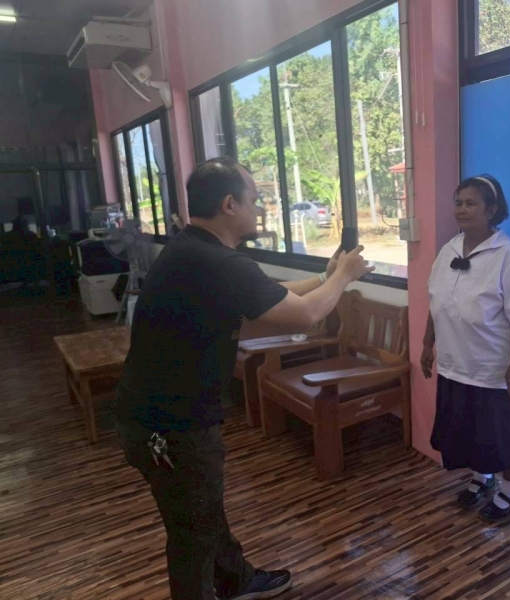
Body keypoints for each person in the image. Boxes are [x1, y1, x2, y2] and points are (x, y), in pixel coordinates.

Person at [115, 157, 374, 600]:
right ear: (229, 204)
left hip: (156, 417)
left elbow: (270, 297)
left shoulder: (194, 250)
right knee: (192, 535)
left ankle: (236, 580)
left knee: (202, 511)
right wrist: (345, 276)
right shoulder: (217, 262)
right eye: (255, 199)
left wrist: (326, 276)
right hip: (171, 427)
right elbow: (307, 315)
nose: (262, 207)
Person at [421, 174, 510, 524]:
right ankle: (481, 477)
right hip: (456, 364)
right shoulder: (449, 249)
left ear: (491, 209)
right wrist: (428, 343)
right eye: (458, 203)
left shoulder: (508, 256)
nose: (462, 209)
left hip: (494, 370)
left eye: (471, 203)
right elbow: (435, 302)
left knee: (504, 436)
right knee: (470, 430)